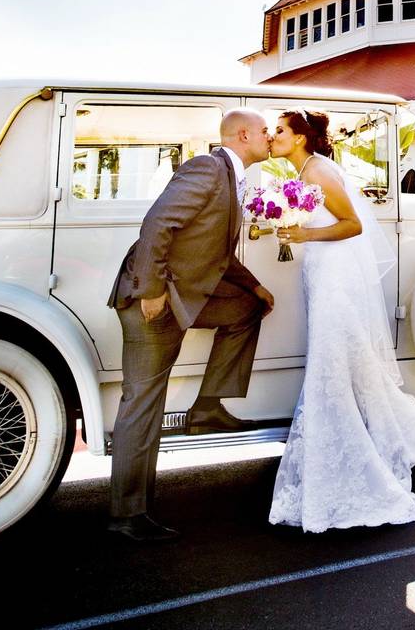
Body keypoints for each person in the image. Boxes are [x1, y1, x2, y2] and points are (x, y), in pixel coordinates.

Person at [105, 108, 275, 542]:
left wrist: (255, 289)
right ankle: (129, 514)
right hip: (156, 300)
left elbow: (215, 252)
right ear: (243, 135)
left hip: (189, 296)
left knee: (244, 311)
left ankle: (207, 407)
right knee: (143, 403)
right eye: (264, 131)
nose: (270, 137)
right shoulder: (206, 168)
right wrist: (150, 291)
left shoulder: (233, 176)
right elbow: (157, 223)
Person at [266, 109, 415, 532]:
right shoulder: (302, 169)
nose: (273, 136)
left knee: (332, 363)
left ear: (302, 137)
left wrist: (303, 234)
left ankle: (362, 452)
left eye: (281, 131)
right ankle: (390, 431)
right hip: (321, 271)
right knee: (344, 361)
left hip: (335, 276)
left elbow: (352, 225)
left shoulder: (319, 171)